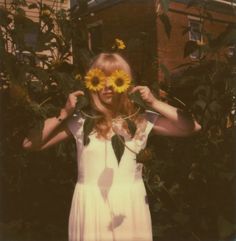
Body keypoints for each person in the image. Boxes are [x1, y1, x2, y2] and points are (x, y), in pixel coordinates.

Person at [22, 53, 201, 241]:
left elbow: (192, 127)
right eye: (101, 78)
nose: (107, 86)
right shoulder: (82, 121)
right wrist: (63, 113)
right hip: (91, 205)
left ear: (124, 82)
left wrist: (154, 102)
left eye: (115, 78)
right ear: (93, 82)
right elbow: (29, 144)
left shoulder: (140, 120)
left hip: (130, 205)